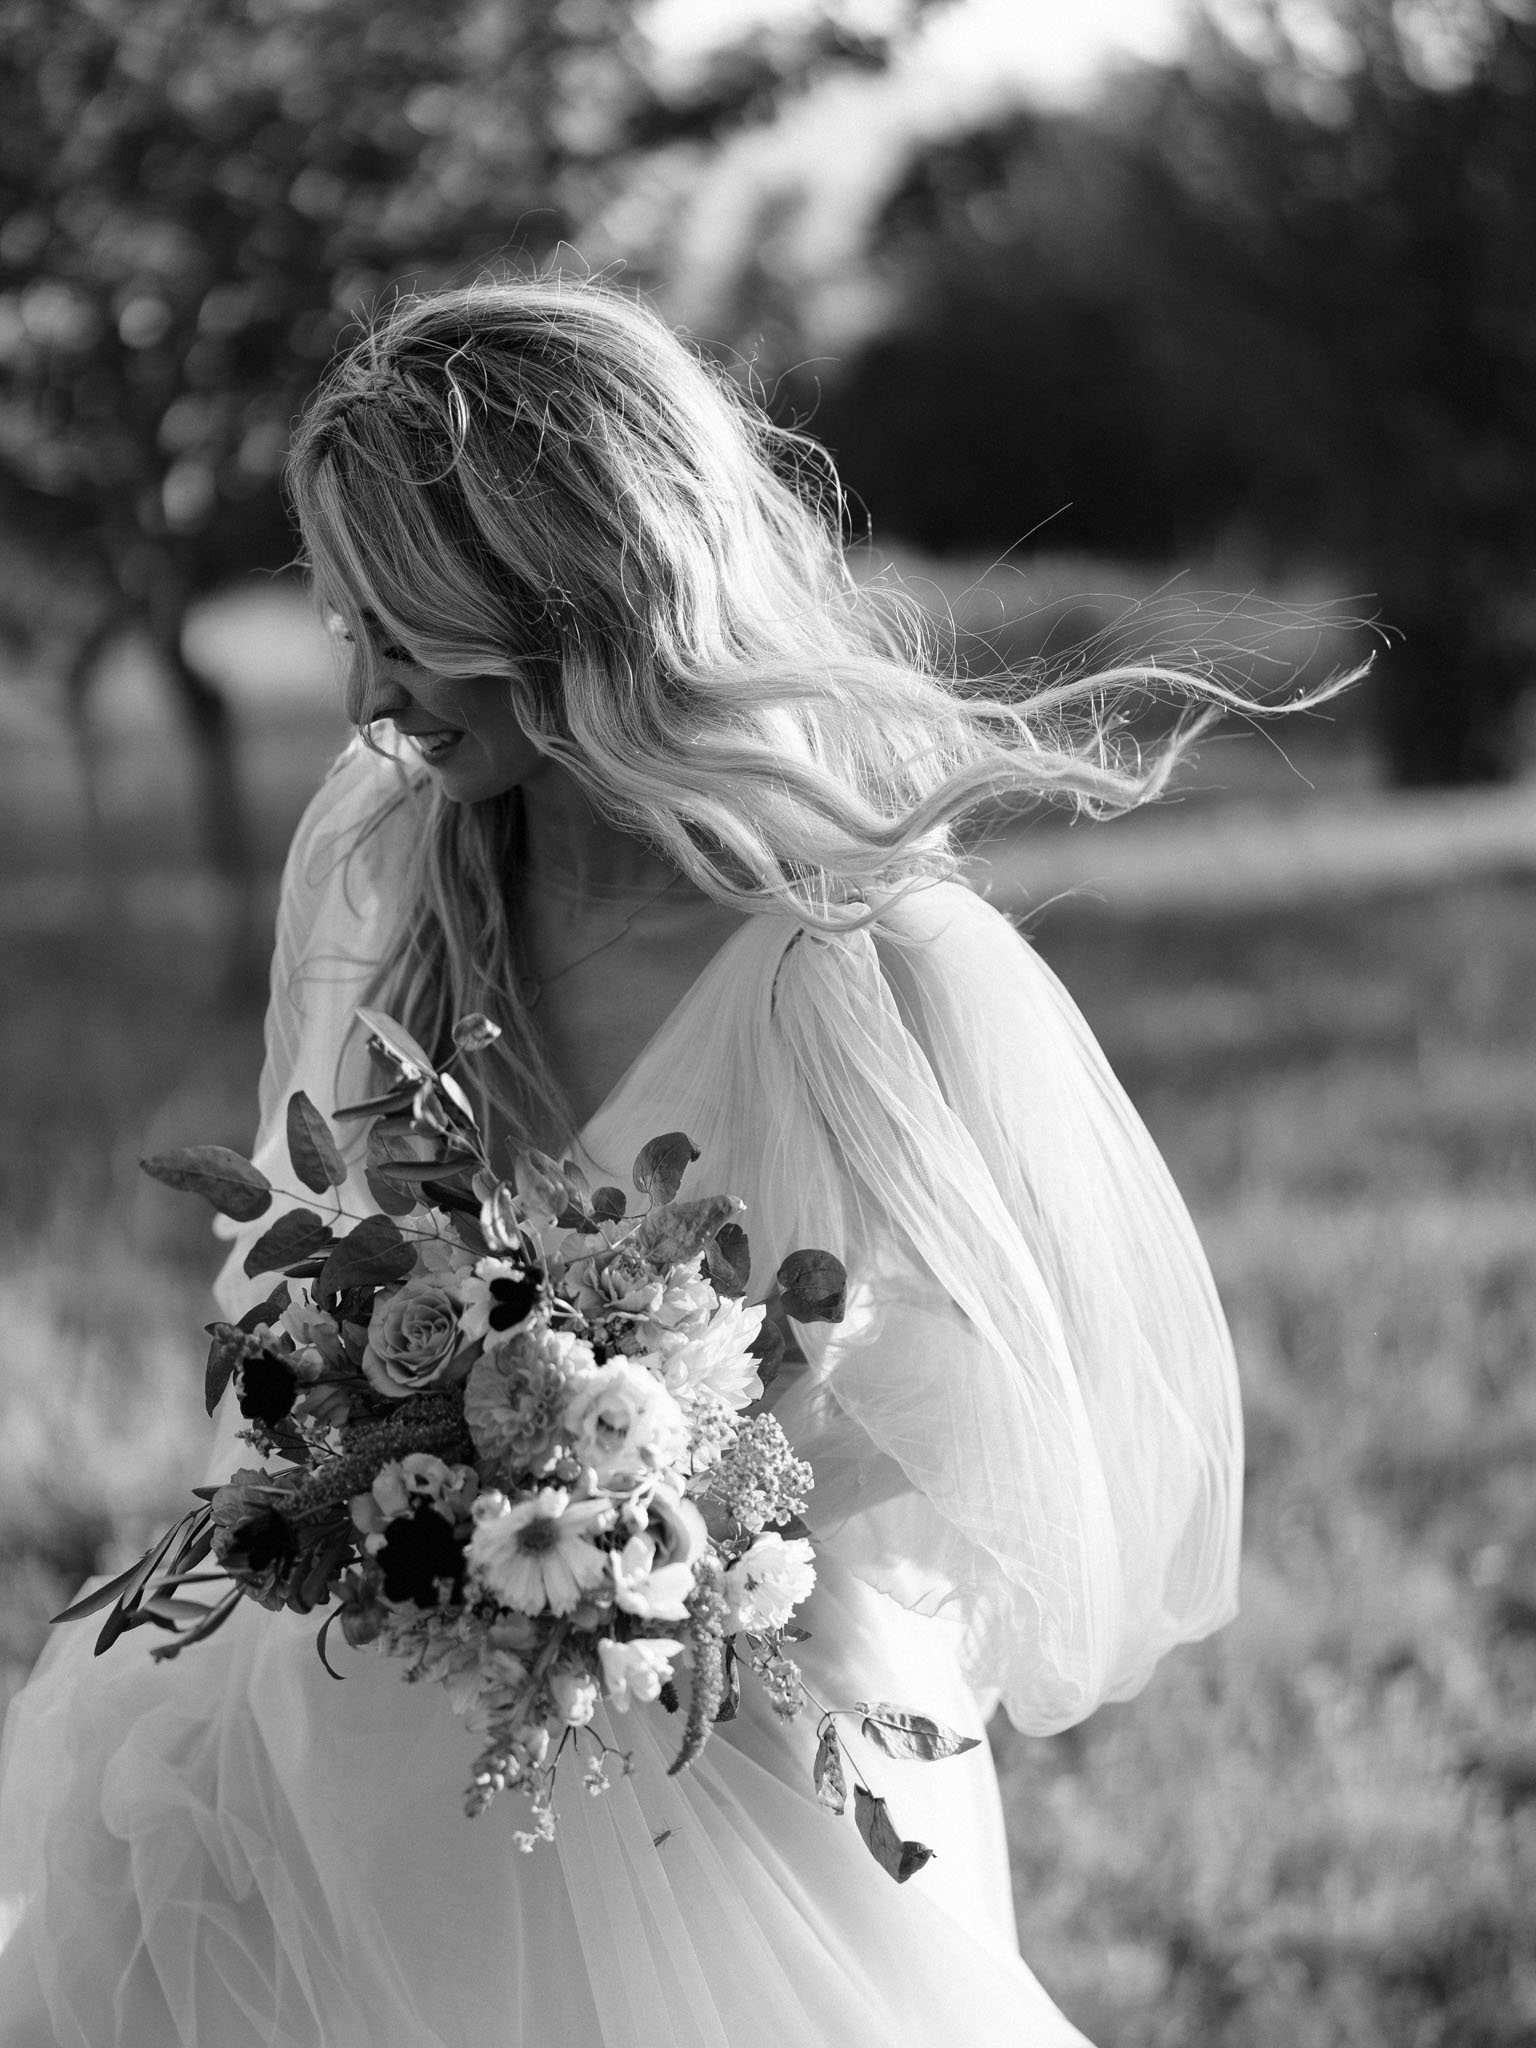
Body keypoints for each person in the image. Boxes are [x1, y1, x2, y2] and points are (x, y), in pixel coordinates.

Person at [0, 278, 1246, 2047]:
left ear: (559, 593)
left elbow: (1015, 1390)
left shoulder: (860, 960)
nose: (365, 696)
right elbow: (303, 1266)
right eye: (346, 628)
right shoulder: (388, 868)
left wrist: (669, 1504)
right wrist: (382, 1459)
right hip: (365, 1696)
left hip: (729, 1728)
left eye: (403, 633)